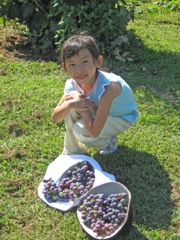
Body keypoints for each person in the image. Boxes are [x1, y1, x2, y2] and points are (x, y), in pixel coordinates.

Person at [52, 35, 138, 155]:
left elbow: (93, 132)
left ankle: (108, 143)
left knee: (80, 130)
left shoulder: (109, 88)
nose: (79, 70)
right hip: (98, 110)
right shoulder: (72, 85)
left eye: (85, 62)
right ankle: (72, 150)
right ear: (64, 67)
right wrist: (71, 103)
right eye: (72, 64)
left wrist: (82, 106)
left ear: (98, 62)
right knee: (71, 101)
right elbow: (55, 118)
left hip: (120, 117)